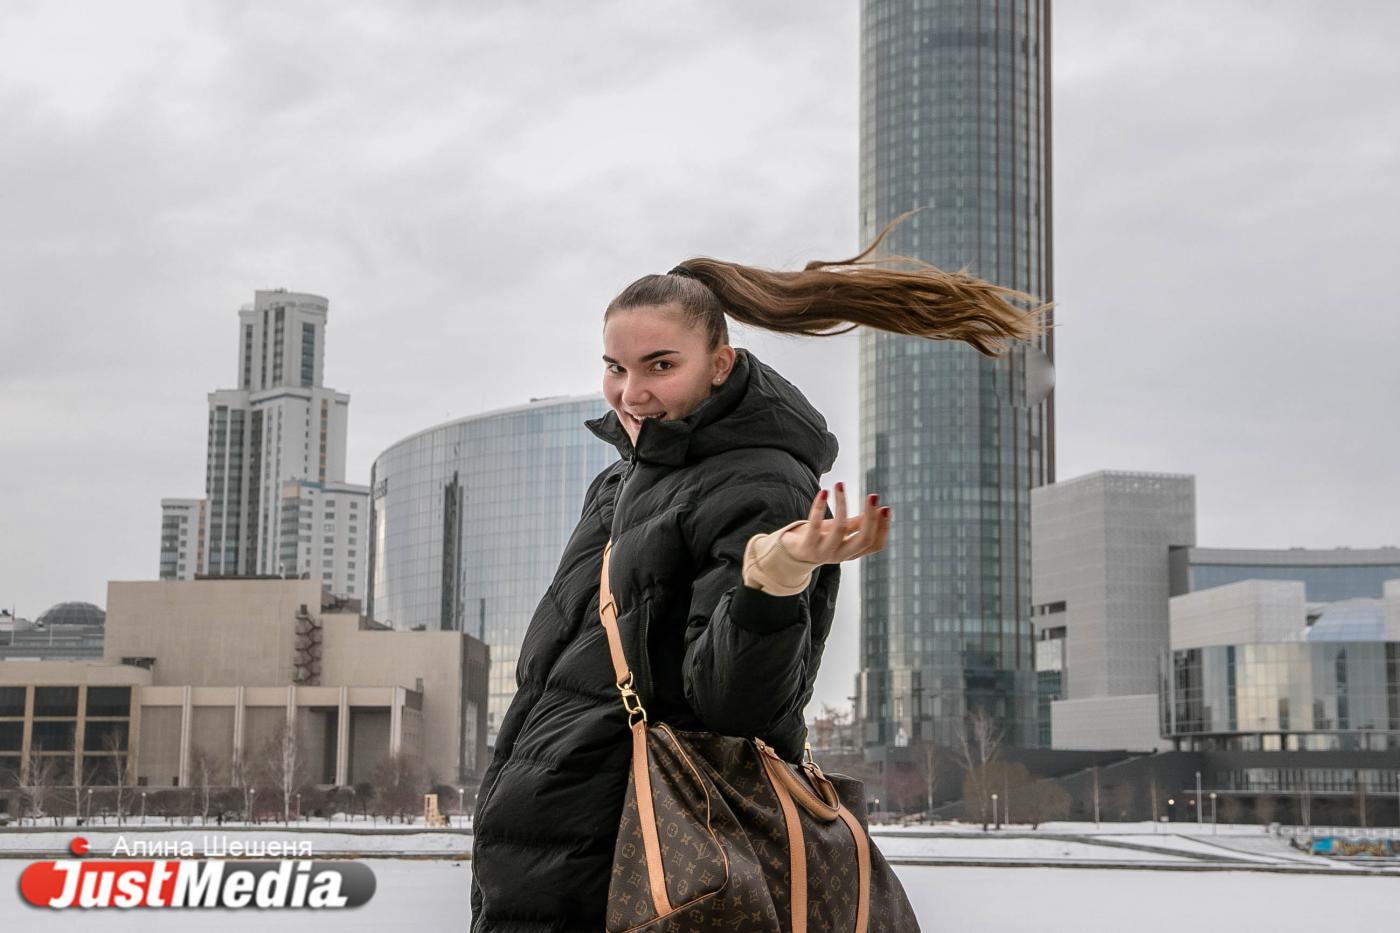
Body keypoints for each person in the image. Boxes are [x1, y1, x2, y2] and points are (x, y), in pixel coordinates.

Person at [469, 224, 1044, 931]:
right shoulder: (620, 481)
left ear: (719, 363)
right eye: (616, 367)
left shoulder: (760, 482)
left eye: (659, 365)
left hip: (639, 867)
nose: (631, 392)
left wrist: (773, 582)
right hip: (554, 857)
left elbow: (741, 714)